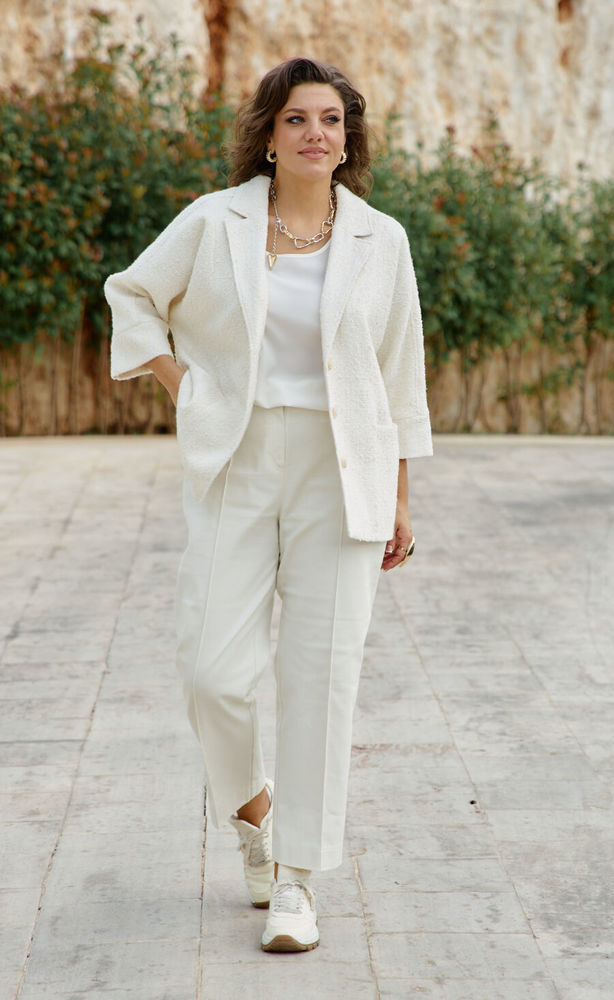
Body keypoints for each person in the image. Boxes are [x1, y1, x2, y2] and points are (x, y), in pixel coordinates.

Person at [104, 57, 432, 953]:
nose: (315, 134)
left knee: (322, 676)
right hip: (238, 460)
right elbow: (132, 293)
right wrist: (185, 385)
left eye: (330, 120)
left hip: (343, 467)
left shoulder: (382, 240)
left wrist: (400, 497)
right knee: (211, 669)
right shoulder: (216, 221)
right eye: (296, 119)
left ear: (347, 140)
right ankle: (255, 813)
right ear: (270, 135)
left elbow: (400, 374)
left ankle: (296, 881)